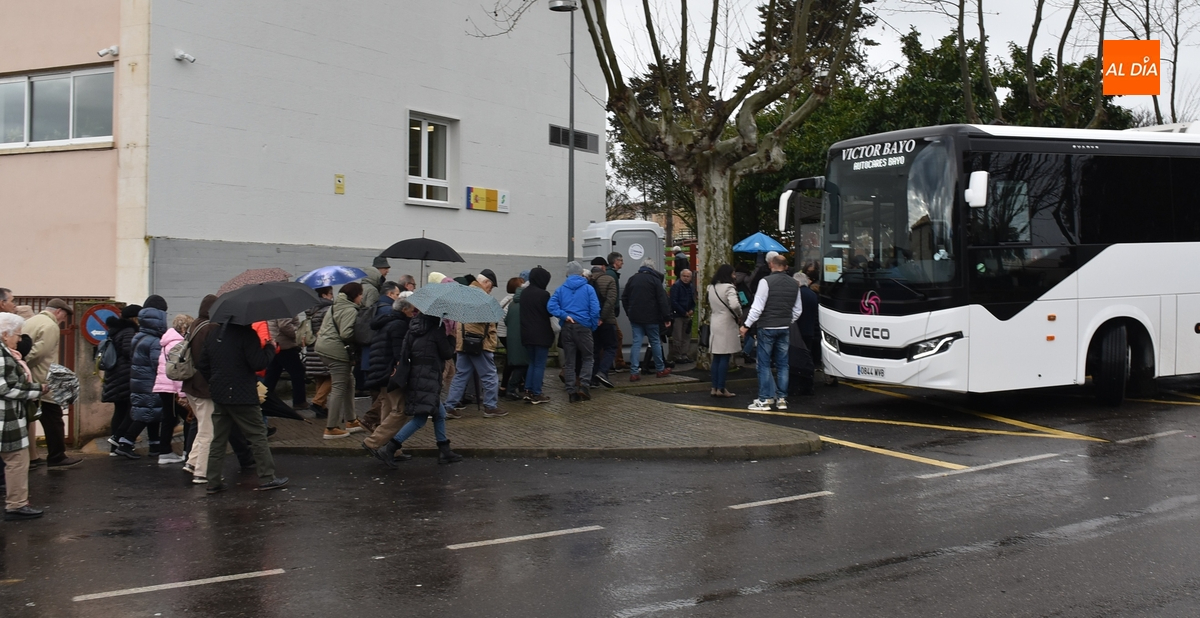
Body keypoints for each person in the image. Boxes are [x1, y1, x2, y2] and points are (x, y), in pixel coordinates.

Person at [196, 318, 288, 493]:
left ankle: (213, 480)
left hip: (220, 393)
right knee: (257, 435)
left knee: (219, 438)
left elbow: (203, 364)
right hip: (243, 393)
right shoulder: (247, 335)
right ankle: (268, 477)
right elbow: (258, 363)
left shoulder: (214, 334)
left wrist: (215, 381)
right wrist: (269, 348)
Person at [369, 313, 462, 466]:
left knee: (440, 414)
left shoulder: (412, 328)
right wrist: (451, 337)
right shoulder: (436, 330)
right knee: (420, 418)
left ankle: (444, 450)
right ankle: (390, 448)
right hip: (429, 378)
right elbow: (446, 353)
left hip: (415, 376)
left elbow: (404, 353)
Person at [21, 298, 81, 468]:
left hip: (29, 378)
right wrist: (24, 365)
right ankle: (57, 456)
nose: (62, 321)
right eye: (63, 317)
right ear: (59, 312)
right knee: (54, 418)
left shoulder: (31, 321)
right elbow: (40, 352)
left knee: (27, 418)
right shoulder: (50, 325)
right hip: (42, 378)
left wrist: (22, 368)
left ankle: (30, 458)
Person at [740, 254, 803, 411]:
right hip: (784, 327)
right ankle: (781, 399)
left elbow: (757, 307)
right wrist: (787, 321)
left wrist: (746, 325)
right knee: (783, 364)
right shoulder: (794, 284)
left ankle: (765, 399)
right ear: (786, 267)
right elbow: (797, 310)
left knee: (763, 364)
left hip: (767, 327)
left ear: (771, 265)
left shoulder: (765, 282)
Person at [360, 296, 418, 466]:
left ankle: (390, 449)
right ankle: (373, 442)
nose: (413, 313)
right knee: (400, 411)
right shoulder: (399, 325)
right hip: (390, 373)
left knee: (388, 407)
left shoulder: (384, 321)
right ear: (404, 309)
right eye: (412, 309)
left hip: (379, 371)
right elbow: (399, 353)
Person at [1, 312, 47, 520]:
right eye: (17, 335)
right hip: (6, 418)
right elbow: (5, 388)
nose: (19, 339)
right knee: (17, 460)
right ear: (4, 334)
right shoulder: (2, 354)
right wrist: (37, 390)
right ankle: (16, 504)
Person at [114, 296, 170, 459]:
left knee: (151, 413)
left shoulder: (139, 335)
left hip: (139, 379)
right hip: (150, 381)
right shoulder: (154, 341)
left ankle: (154, 445)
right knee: (147, 413)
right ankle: (126, 443)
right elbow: (157, 364)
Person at [444, 274, 505, 417]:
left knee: (461, 375)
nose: (491, 290)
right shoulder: (480, 296)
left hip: (463, 342)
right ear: (485, 282)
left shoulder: (464, 293)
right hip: (478, 343)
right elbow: (485, 319)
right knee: (490, 376)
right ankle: (490, 406)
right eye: (491, 286)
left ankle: (449, 406)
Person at [315, 282, 364, 438]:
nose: (362, 297)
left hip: (324, 347)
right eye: (361, 294)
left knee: (349, 382)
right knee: (338, 387)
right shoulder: (350, 310)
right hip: (336, 351)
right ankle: (331, 427)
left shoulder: (336, 306)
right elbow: (346, 333)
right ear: (355, 295)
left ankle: (351, 420)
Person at [548, 262, 601, 403]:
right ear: (580, 273)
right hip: (583, 327)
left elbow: (550, 306)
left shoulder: (561, 289)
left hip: (567, 327)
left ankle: (571, 392)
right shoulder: (588, 289)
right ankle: (584, 386)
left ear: (567, 274)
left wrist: (564, 316)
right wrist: (592, 325)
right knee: (588, 357)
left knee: (570, 362)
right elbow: (595, 310)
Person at [181, 295, 218, 484]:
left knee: (202, 426)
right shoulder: (210, 328)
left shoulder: (195, 325)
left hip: (190, 385)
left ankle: (193, 462)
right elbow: (211, 359)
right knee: (208, 431)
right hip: (204, 387)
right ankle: (202, 473)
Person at [621, 259, 673, 381]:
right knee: (655, 342)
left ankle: (634, 372)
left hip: (635, 317)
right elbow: (662, 300)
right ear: (652, 269)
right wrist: (666, 317)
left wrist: (629, 312)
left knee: (636, 343)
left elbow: (624, 297)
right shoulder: (655, 280)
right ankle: (660, 369)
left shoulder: (632, 279)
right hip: (652, 317)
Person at [361, 280, 402, 432]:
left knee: (382, 397)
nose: (398, 297)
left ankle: (376, 426)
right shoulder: (389, 312)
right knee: (386, 399)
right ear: (390, 294)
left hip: (371, 358)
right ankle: (374, 425)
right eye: (397, 294)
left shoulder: (376, 307)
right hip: (383, 361)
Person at [152, 313, 193, 464]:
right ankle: (185, 452)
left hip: (163, 387)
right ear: (183, 328)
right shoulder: (178, 343)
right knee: (190, 417)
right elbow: (178, 371)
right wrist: (182, 393)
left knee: (168, 418)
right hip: (173, 389)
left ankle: (165, 451)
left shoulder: (166, 341)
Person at [101, 304, 140, 456]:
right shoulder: (129, 331)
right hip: (125, 376)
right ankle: (120, 442)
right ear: (134, 317)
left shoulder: (115, 331)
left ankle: (114, 447)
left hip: (115, 376)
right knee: (130, 410)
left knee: (120, 410)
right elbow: (129, 351)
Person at [520, 267, 553, 404]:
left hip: (527, 333)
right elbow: (550, 312)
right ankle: (537, 393)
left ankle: (528, 390)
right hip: (541, 334)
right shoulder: (543, 294)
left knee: (532, 363)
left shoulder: (524, 293)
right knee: (540, 364)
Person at [707, 264, 742, 398]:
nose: (735, 276)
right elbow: (734, 304)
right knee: (725, 356)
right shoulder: (729, 288)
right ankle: (721, 388)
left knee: (717, 356)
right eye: (733, 274)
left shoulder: (711, 288)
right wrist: (738, 314)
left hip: (715, 322)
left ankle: (714, 387)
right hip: (727, 323)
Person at [263, 313, 308, 411]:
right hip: (285, 346)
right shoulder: (284, 309)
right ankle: (299, 401)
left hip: (276, 343)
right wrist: (298, 333)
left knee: (272, 374)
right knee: (298, 372)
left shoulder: (274, 306)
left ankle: (263, 399)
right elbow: (284, 325)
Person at [304, 286, 335, 417]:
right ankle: (317, 402)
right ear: (324, 295)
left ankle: (321, 408)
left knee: (320, 378)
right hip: (324, 346)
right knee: (333, 376)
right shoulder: (328, 309)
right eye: (330, 294)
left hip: (312, 347)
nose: (332, 296)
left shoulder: (311, 310)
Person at [589, 260, 618, 388]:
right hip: (607, 320)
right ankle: (603, 371)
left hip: (591, 321)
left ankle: (593, 379)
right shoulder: (609, 279)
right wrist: (602, 317)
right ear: (603, 267)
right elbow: (611, 301)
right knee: (611, 347)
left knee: (595, 349)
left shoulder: (587, 280)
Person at [790, 272, 819, 396]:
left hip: (798, 331)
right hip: (810, 330)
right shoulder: (813, 295)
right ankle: (808, 385)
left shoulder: (797, 294)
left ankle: (795, 386)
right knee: (808, 358)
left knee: (796, 359)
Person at [502, 277, 529, 400]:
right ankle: (509, 387)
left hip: (505, 334)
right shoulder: (515, 302)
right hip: (509, 334)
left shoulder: (507, 300)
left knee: (513, 360)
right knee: (517, 361)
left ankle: (512, 386)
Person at [669, 268, 696, 363]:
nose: (686, 278)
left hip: (688, 314)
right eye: (684, 276)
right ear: (680, 276)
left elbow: (693, 300)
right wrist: (683, 311)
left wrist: (692, 309)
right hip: (678, 315)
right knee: (678, 336)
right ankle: (677, 355)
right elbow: (673, 301)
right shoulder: (676, 286)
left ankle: (684, 354)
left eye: (688, 276)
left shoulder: (691, 287)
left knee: (686, 336)